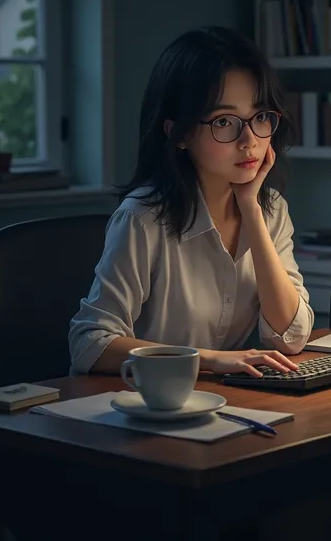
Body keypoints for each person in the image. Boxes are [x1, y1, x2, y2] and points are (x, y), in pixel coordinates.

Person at [69, 26, 313, 376]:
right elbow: (89, 344)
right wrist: (208, 359)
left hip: (218, 402)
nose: (249, 140)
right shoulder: (143, 219)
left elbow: (291, 337)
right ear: (180, 133)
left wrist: (251, 210)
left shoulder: (270, 209)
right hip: (140, 405)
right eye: (225, 122)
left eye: (260, 117)